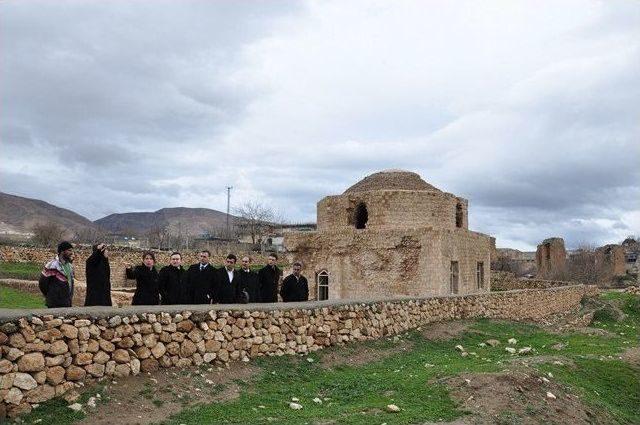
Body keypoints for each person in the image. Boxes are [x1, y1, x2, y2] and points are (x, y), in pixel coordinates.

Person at [39, 241, 75, 308]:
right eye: (69, 250)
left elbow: (70, 283)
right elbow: (42, 283)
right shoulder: (52, 265)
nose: (71, 253)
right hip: (54, 303)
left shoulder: (70, 266)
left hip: (67, 303)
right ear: (62, 251)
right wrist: (52, 295)